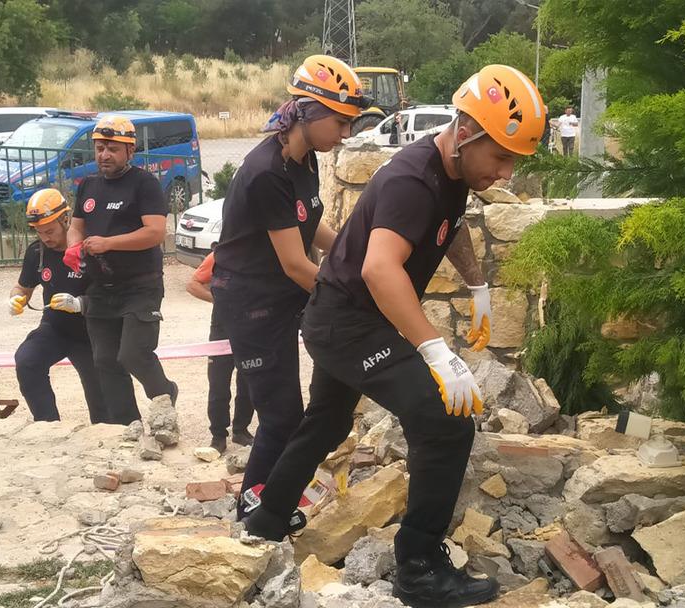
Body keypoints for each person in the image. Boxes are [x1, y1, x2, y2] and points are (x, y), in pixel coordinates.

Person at [242, 64, 546, 608]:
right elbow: (381, 271)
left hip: (343, 319)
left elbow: (451, 227)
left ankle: (265, 521)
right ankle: (419, 569)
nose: (504, 173)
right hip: (349, 324)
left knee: (327, 423)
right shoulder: (413, 178)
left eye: (514, 162)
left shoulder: (452, 171)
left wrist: (476, 287)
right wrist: (435, 351)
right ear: (469, 132)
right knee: (446, 422)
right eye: (500, 157)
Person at [211, 54, 369, 517]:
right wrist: (354, 292)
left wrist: (354, 257)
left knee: (296, 413)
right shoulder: (266, 172)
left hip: (280, 296)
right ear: (309, 112)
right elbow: (297, 265)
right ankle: (253, 508)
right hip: (251, 302)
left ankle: (275, 493)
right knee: (281, 417)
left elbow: (312, 227)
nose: (346, 135)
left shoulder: (303, 161)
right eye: (342, 123)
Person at [63, 115, 177, 424]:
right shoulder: (87, 185)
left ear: (130, 151)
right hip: (100, 287)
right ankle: (127, 424)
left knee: (133, 354)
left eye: (113, 149)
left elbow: (155, 232)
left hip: (140, 285)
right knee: (105, 360)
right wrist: (74, 246)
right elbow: (76, 228)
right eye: (100, 148)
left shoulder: (145, 184)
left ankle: (165, 398)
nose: (104, 155)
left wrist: (109, 243)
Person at [11, 188, 108, 423]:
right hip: (55, 328)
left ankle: (105, 428)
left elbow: (111, 296)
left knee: (101, 398)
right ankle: (48, 424)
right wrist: (16, 299)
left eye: (50, 231)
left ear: (65, 219)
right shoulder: (37, 252)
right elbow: (22, 287)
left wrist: (80, 304)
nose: (46, 238)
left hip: (92, 332)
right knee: (27, 360)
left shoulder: (90, 249)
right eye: (39, 232)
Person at [185, 252, 255, 453]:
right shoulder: (219, 255)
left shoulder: (263, 251)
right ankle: (218, 435)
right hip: (222, 327)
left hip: (253, 325)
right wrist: (216, 300)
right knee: (218, 383)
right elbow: (192, 285)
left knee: (248, 381)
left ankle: (241, 430)